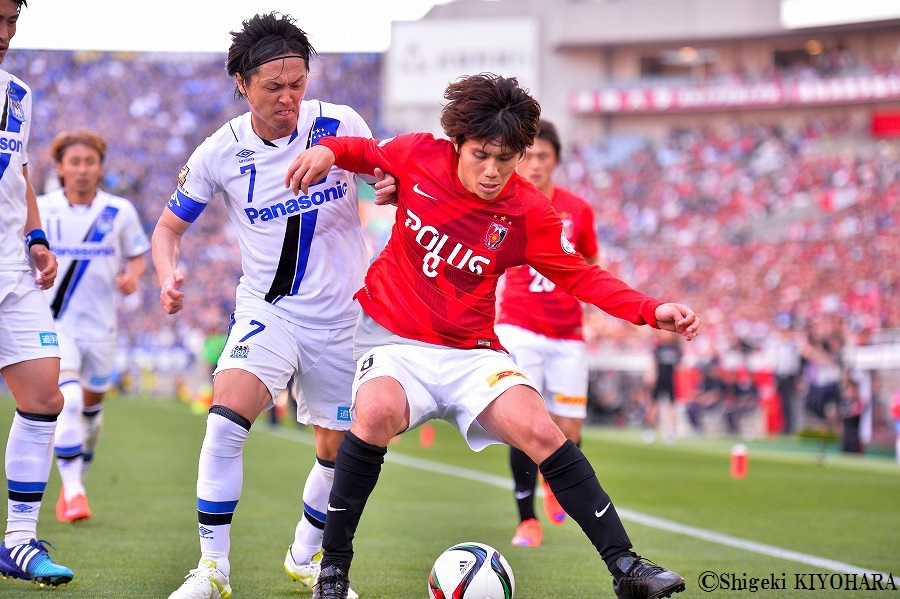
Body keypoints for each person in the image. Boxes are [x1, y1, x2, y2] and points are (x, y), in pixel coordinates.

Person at [286, 72, 698, 599]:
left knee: (543, 430)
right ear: (457, 142)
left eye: (506, 159)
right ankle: (333, 572)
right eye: (481, 154)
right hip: (391, 338)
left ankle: (627, 568)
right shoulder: (418, 155)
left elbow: (582, 276)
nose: (492, 170)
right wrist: (326, 151)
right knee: (374, 414)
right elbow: (362, 150)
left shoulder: (527, 211)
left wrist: (649, 309)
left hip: (470, 352)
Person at [153, 13, 393, 599]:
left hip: (342, 319)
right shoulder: (219, 152)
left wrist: (389, 183)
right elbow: (166, 229)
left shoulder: (339, 122)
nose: (289, 98)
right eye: (273, 87)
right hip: (269, 310)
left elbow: (389, 173)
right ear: (241, 82)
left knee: (338, 453)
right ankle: (212, 571)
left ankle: (305, 557)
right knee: (224, 421)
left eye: (297, 83)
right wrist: (168, 274)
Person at [493, 119, 599, 548]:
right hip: (519, 325)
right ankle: (527, 520)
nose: (534, 164)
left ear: (555, 160)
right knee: (525, 419)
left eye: (543, 156)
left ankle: (554, 480)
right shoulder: (504, 201)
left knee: (569, 428)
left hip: (568, 331)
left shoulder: (578, 209)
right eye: (529, 155)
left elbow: (591, 261)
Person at [0, 0, 75, 588]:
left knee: (45, 394)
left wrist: (37, 237)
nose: (5, 34)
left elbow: (19, 172)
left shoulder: (18, 94)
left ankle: (18, 543)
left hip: (12, 269)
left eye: (11, 22)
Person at [38, 129, 149, 523]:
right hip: (56, 323)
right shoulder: (42, 209)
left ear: (101, 168)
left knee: (91, 417)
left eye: (90, 162)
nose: (82, 170)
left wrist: (133, 276)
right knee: (65, 401)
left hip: (102, 328)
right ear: (60, 168)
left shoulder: (118, 211)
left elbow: (138, 254)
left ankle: (73, 485)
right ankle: (73, 491)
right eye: (74, 162)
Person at [644, 332, 682, 444]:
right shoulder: (659, 347)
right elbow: (654, 363)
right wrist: (651, 375)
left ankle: (670, 432)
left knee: (672, 407)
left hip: (671, 381)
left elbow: (679, 366)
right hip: (659, 379)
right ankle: (650, 430)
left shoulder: (677, 348)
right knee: (654, 405)